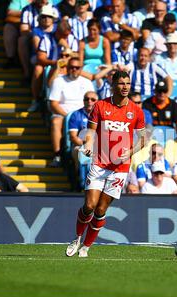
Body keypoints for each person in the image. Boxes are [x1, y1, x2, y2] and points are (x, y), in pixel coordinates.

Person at [65, 70, 146, 258]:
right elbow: (91, 131)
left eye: (127, 83)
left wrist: (130, 151)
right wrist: (87, 145)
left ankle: (86, 246)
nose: (125, 87)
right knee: (89, 206)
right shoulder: (101, 106)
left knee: (101, 209)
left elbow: (143, 139)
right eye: (121, 83)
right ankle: (77, 238)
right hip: (100, 162)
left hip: (120, 168)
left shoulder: (136, 110)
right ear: (113, 85)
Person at [48, 57, 95, 166]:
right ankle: (57, 155)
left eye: (77, 67)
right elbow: (53, 103)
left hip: (84, 113)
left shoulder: (87, 82)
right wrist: (68, 116)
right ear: (67, 68)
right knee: (55, 122)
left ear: (81, 69)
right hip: (63, 113)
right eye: (71, 67)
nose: (74, 69)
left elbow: (93, 101)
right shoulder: (58, 81)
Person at [68, 91, 98, 190]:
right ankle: (80, 181)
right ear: (83, 101)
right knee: (80, 152)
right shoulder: (76, 115)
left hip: (98, 147)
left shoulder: (103, 116)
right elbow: (73, 137)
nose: (89, 101)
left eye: (93, 99)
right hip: (80, 146)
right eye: (87, 99)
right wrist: (86, 147)